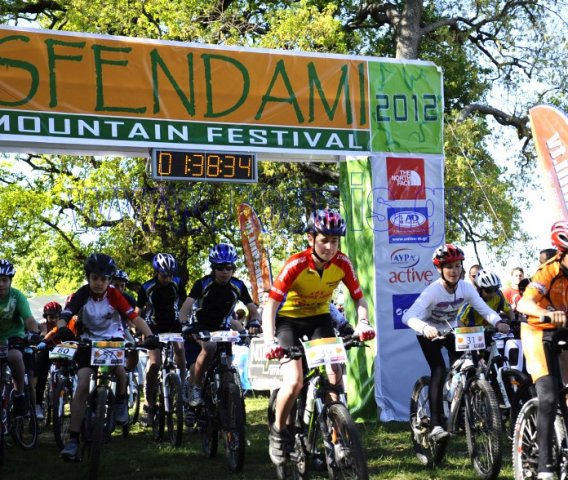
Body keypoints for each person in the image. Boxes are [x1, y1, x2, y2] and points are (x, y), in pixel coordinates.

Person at [262, 208, 375, 465]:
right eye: (324, 240)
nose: (329, 246)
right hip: (288, 321)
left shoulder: (342, 263)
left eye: (334, 241)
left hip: (319, 320)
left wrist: (363, 322)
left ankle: (338, 441)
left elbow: (359, 298)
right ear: (311, 239)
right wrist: (270, 341)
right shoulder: (296, 264)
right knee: (294, 381)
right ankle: (279, 433)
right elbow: (270, 306)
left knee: (335, 377)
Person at [402, 244, 510, 442]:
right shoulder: (432, 292)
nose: (454, 271)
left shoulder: (466, 288)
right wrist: (425, 328)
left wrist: (499, 322)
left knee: (469, 366)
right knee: (439, 370)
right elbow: (407, 317)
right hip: (428, 331)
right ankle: (435, 424)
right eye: (449, 266)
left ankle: (460, 411)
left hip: (451, 330)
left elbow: (485, 309)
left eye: (458, 266)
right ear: (439, 269)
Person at [59, 253, 158, 460]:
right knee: (83, 384)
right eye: (95, 278)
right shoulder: (82, 293)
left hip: (112, 338)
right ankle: (74, 439)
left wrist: (149, 335)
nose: (99, 283)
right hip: (88, 340)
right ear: (88, 278)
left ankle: (121, 401)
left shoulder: (114, 295)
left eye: (104, 279)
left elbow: (134, 317)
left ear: (110, 280)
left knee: (120, 370)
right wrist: (63, 330)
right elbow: (65, 316)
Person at [179, 243, 261, 406]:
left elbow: (253, 309)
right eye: (220, 268)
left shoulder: (238, 285)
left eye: (229, 268)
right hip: (200, 326)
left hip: (222, 328)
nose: (225, 272)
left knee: (228, 367)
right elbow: (185, 308)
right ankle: (195, 386)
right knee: (209, 347)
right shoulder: (202, 283)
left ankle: (227, 406)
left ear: (233, 268)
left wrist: (254, 321)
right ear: (213, 268)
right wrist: (184, 324)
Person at [517, 221, 568, 480]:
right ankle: (544, 467)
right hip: (538, 331)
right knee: (549, 397)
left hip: (564, 330)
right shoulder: (548, 272)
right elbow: (524, 304)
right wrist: (547, 314)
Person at [138, 253, 188, 415]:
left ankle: (183, 389)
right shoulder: (146, 287)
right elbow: (138, 311)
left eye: (170, 275)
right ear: (157, 272)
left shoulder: (177, 283)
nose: (167, 279)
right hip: (153, 326)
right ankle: (148, 401)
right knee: (155, 363)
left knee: (180, 351)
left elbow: (185, 303)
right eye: (164, 275)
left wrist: (185, 320)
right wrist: (138, 329)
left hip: (173, 324)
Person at [0, 259, 41, 417]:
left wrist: (34, 333)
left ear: (10, 281)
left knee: (15, 356)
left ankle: (19, 394)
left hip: (14, 338)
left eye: (4, 280)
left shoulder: (17, 297)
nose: (1, 284)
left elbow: (29, 319)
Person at [34, 301, 77, 420]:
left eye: (56, 317)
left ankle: (69, 390)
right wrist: (42, 340)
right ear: (46, 316)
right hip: (49, 349)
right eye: (51, 317)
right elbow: (44, 333)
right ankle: (38, 403)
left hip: (63, 350)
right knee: (41, 373)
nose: (54, 319)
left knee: (71, 368)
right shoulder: (43, 324)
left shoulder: (66, 323)